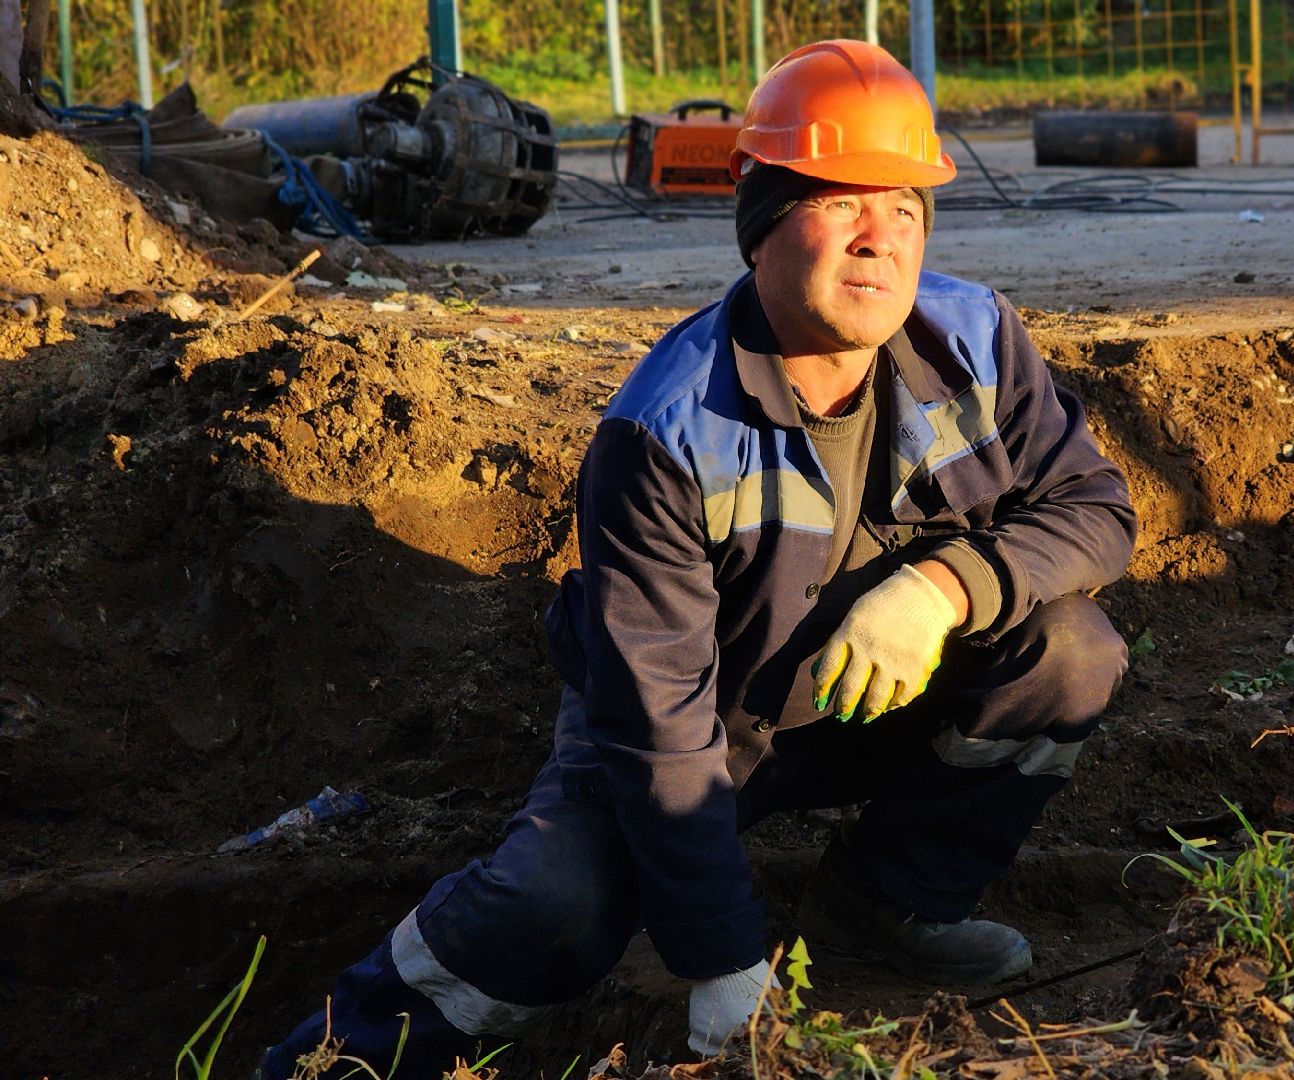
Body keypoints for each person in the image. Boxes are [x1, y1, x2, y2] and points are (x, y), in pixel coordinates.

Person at [260, 39, 1135, 1078]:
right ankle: (333, 1058)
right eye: (840, 203)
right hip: (705, 733)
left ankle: (883, 906)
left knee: (1069, 652)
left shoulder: (978, 341)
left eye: (904, 207)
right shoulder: (665, 433)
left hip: (873, 700)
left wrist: (940, 589)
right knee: (553, 903)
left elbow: (1097, 510)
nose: (880, 239)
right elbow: (657, 723)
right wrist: (720, 962)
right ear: (763, 227)